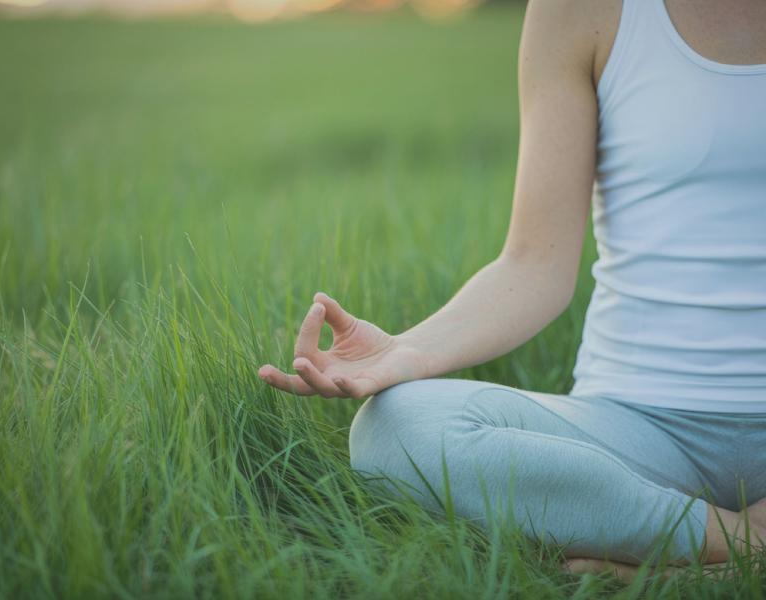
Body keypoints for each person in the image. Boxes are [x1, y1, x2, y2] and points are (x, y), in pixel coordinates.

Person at [257, 0, 766, 578]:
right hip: (637, 430)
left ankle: (690, 561)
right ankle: (743, 543)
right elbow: (534, 265)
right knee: (396, 430)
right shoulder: (581, 12)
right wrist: (407, 351)